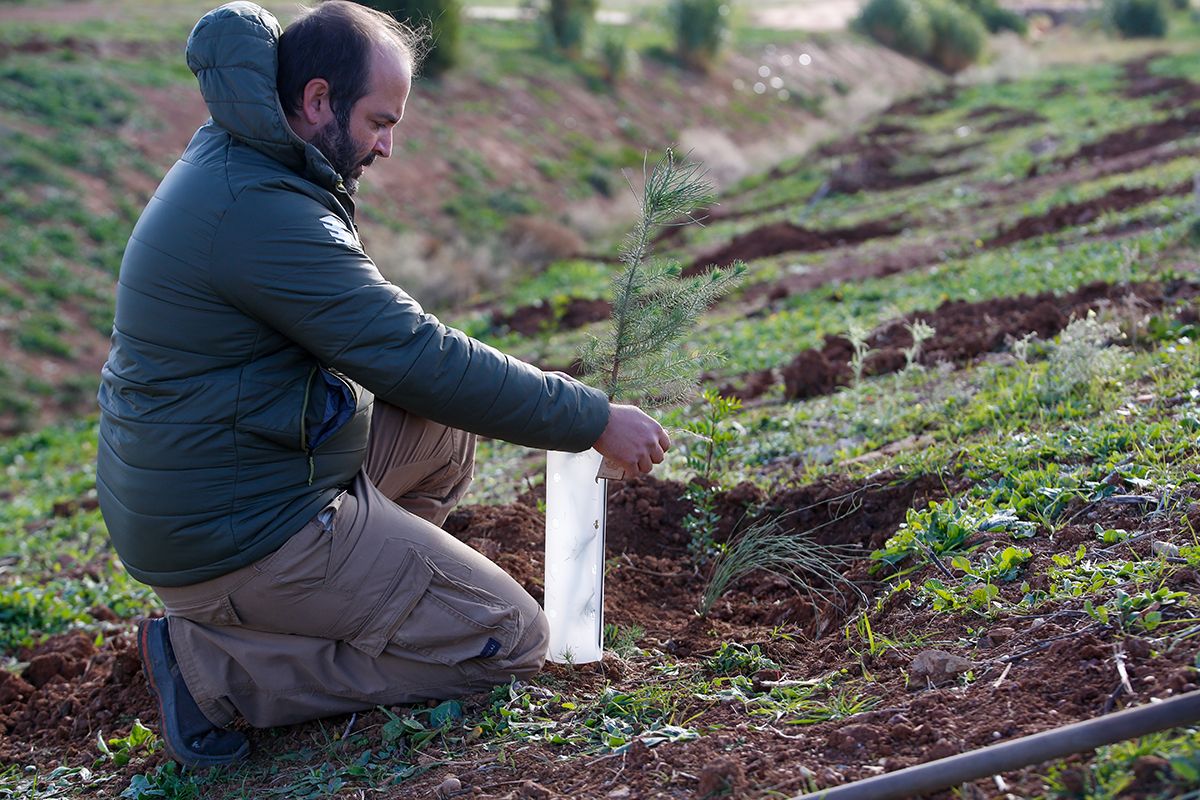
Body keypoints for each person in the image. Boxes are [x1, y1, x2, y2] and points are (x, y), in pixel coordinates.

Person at [96, 0, 669, 769]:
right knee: (510, 639)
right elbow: (414, 353)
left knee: (441, 428)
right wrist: (589, 416)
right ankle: (218, 672)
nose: (389, 147)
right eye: (379, 121)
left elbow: (416, 366)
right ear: (318, 99)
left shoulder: (254, 159)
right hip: (237, 535)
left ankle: (356, 601)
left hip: (247, 482)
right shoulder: (258, 211)